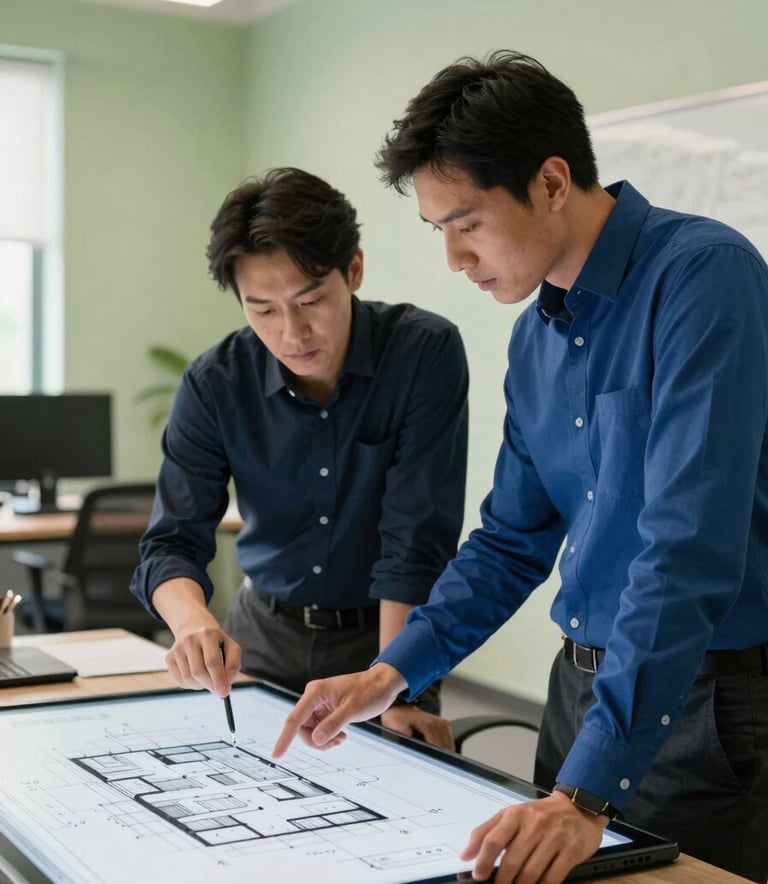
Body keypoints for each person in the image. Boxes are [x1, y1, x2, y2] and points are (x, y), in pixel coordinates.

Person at [273, 52, 768, 884]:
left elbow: (686, 549)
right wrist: (392, 674)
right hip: (577, 695)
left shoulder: (703, 277)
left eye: (467, 223)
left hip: (702, 705)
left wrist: (585, 792)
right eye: (438, 230)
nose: (454, 259)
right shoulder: (537, 337)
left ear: (551, 182)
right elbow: (509, 542)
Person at [130, 167, 469, 749]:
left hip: (384, 639)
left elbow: (414, 541)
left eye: (310, 300)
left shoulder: (422, 354)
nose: (292, 333)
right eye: (263, 310)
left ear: (353, 270)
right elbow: (171, 543)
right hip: (262, 634)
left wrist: (397, 691)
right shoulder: (216, 383)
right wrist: (192, 625)